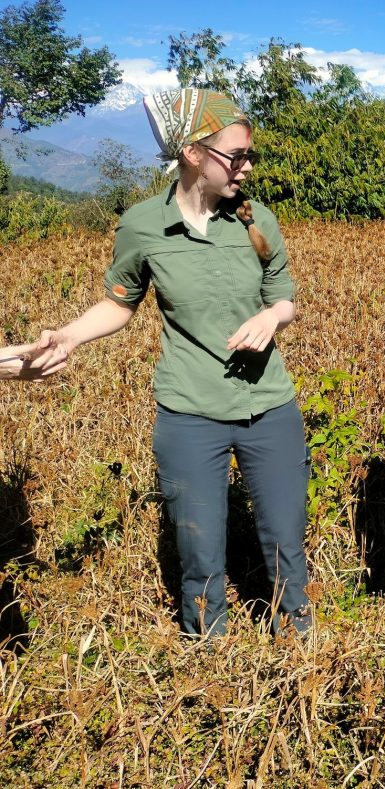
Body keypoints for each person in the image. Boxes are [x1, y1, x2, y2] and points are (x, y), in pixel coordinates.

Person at [31, 89, 311, 636]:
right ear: (193, 153)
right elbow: (119, 303)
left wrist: (272, 317)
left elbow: (285, 298)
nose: (247, 167)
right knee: (199, 553)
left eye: (250, 155)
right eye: (236, 155)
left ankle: (299, 650)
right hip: (189, 411)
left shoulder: (257, 219)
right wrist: (68, 336)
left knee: (286, 547)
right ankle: (206, 655)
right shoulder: (142, 225)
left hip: (269, 406)